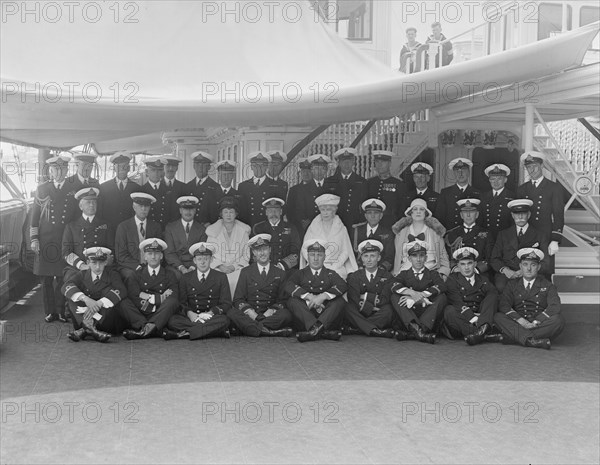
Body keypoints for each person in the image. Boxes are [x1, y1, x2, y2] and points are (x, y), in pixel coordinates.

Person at [30, 154, 78, 323]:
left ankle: (61, 311)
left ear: (67, 170)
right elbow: (34, 217)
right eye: (55, 169)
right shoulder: (42, 189)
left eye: (62, 169)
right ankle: (50, 312)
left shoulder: (74, 188)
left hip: (65, 239)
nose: (59, 172)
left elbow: (78, 217)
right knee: (46, 279)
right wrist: (34, 238)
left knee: (62, 277)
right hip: (46, 239)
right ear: (50, 171)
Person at [494, 248, 565, 350]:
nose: (528, 269)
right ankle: (531, 341)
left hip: (538, 323)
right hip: (519, 321)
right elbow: (504, 305)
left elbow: (555, 306)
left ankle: (512, 337)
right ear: (520, 266)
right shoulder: (512, 284)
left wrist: (536, 321)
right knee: (498, 317)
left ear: (539, 267)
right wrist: (520, 320)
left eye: (533, 265)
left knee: (558, 320)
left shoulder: (548, 285)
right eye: (525, 264)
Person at [163, 242, 231, 340]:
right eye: (199, 259)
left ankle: (185, 334)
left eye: (206, 259)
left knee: (225, 320)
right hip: (193, 316)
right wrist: (190, 314)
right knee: (172, 321)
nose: (202, 262)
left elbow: (226, 303)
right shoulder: (185, 278)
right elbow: (181, 302)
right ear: (194, 260)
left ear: (211, 259)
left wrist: (211, 313)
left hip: (210, 317)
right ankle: (214, 331)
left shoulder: (221, 277)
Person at [229, 234, 294, 337]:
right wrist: (251, 313)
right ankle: (268, 331)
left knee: (286, 315)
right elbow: (238, 299)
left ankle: (250, 328)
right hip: (251, 314)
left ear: (270, 250)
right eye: (259, 250)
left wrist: (271, 311)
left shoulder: (280, 273)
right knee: (232, 313)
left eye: (264, 249)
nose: (262, 253)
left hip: (270, 314)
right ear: (254, 252)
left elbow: (283, 300)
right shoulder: (246, 272)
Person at [285, 239, 347, 342]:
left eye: (319, 255)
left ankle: (314, 331)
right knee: (292, 301)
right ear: (307, 257)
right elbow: (289, 286)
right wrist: (310, 297)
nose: (316, 258)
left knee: (340, 301)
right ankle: (322, 331)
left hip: (325, 313)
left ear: (325, 257)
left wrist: (323, 296)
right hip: (307, 313)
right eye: (312, 255)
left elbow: (342, 285)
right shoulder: (300, 273)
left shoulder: (330, 273)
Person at [62, 247, 126, 342]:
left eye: (101, 263)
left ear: (105, 262)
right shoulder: (82, 274)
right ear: (88, 263)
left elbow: (122, 290)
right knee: (72, 297)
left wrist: (99, 303)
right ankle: (91, 329)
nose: (97, 267)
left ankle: (86, 329)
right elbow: (66, 287)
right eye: (94, 263)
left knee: (112, 298)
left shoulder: (112, 274)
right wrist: (86, 300)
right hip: (83, 317)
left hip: (104, 320)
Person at [119, 238, 179, 340]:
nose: (153, 256)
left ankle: (145, 330)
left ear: (161, 256)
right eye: (150, 253)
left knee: (172, 302)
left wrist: (146, 296)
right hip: (142, 313)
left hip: (161, 312)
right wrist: (159, 298)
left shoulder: (169, 274)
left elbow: (173, 295)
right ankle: (153, 328)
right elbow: (134, 296)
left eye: (156, 253)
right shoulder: (136, 275)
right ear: (145, 256)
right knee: (123, 303)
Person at [390, 240, 447, 344]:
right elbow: (393, 285)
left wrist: (420, 297)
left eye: (421, 256)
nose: (418, 259)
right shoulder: (404, 274)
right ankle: (417, 330)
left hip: (427, 312)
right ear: (409, 259)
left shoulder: (433, 274)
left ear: (426, 258)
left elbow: (441, 286)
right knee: (394, 297)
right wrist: (412, 293)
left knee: (442, 297)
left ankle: (414, 332)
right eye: (415, 256)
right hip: (410, 313)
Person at [490, 199, 550, 292]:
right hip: (508, 273)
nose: (520, 216)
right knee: (500, 286)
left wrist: (526, 271)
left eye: (523, 213)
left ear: (529, 215)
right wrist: (505, 270)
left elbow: (546, 262)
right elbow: (494, 258)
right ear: (512, 215)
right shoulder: (503, 234)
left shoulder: (540, 235)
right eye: (517, 214)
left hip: (531, 273)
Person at [442, 247, 499, 345]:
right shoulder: (452, 279)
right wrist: (473, 318)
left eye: (469, 263)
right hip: (461, 318)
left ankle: (480, 332)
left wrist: (482, 317)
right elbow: (457, 302)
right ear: (458, 266)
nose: (466, 267)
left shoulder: (483, 279)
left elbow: (492, 296)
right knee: (449, 310)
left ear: (475, 264)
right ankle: (481, 333)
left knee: (492, 296)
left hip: (479, 315)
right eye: (463, 264)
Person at [517, 151, 564, 260]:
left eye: (535, 166)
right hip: (526, 235)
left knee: (545, 269)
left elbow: (558, 215)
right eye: (528, 167)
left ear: (542, 166)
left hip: (545, 235)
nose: (531, 170)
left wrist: (555, 239)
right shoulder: (522, 189)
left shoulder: (554, 188)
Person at [345, 240, 396, 338]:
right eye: (366, 256)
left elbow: (385, 299)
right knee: (347, 307)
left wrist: (364, 296)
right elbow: (354, 299)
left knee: (389, 309)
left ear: (379, 258)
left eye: (372, 256)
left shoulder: (387, 276)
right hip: (360, 312)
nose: (369, 260)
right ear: (362, 259)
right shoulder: (354, 276)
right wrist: (371, 307)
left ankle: (358, 328)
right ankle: (375, 330)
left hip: (379, 313)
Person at [301, 194, 358, 280]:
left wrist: (336, 265)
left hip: (336, 266)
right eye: (323, 209)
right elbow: (304, 249)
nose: (325, 212)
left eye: (328, 210)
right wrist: (313, 263)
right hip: (314, 266)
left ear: (334, 211)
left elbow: (346, 251)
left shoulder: (341, 228)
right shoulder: (313, 227)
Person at [62, 188, 114, 280]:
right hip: (78, 268)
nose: (92, 205)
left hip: (101, 267)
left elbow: (111, 249)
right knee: (70, 280)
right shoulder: (71, 226)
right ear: (80, 206)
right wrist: (81, 265)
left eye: (94, 202)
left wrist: (103, 262)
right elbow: (66, 252)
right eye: (88, 202)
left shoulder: (106, 225)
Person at [205, 196, 251, 297]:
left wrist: (233, 267)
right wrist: (220, 266)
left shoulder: (243, 231)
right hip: (218, 269)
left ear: (236, 214)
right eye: (225, 212)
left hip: (238, 269)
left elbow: (246, 256)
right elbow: (208, 254)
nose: (228, 215)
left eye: (231, 212)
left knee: (238, 287)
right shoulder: (213, 231)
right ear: (221, 214)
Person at [392, 198, 450, 278]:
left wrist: (443, 274)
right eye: (415, 209)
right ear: (411, 213)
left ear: (425, 213)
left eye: (421, 209)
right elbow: (397, 257)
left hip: (430, 273)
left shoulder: (435, 233)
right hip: (405, 274)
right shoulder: (401, 233)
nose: (418, 212)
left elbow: (443, 257)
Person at [114, 193, 162, 282]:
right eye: (140, 206)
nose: (143, 209)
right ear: (134, 207)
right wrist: (137, 266)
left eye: (146, 206)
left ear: (150, 208)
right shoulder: (123, 227)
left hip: (151, 265)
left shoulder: (156, 227)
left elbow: (159, 251)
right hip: (129, 266)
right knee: (131, 275)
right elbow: (120, 255)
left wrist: (150, 266)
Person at [324, 147, 368, 233]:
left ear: (353, 162)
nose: (346, 164)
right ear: (339, 163)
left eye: (349, 161)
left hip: (355, 224)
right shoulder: (329, 181)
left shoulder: (362, 182)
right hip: (335, 223)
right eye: (343, 161)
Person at [252, 198, 301, 275]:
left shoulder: (291, 228)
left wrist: (282, 265)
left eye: (276, 210)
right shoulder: (258, 228)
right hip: (264, 270)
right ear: (266, 212)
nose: (273, 214)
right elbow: (254, 252)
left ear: (281, 212)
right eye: (270, 211)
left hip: (286, 270)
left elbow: (296, 252)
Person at [444, 199, 493, 275]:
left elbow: (490, 257)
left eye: (472, 212)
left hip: (478, 272)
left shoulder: (486, 233)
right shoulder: (453, 233)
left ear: (477, 214)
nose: (468, 215)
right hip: (458, 271)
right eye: (465, 212)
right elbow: (448, 256)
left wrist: (477, 270)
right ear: (461, 215)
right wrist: (455, 268)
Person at [164, 196, 208, 277]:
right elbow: (169, 253)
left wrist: (191, 268)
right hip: (175, 266)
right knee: (176, 276)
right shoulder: (170, 228)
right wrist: (181, 268)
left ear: (195, 210)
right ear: (180, 210)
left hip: (196, 265)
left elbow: (201, 252)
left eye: (191, 209)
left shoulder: (201, 229)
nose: (188, 212)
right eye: (185, 209)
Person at [98, 151, 140, 235]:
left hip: (129, 231)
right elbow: (100, 211)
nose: (121, 169)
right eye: (118, 166)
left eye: (124, 166)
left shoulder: (136, 188)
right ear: (114, 168)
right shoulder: (104, 187)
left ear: (128, 168)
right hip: (109, 230)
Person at [434, 158, 480, 230]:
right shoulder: (445, 193)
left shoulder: (477, 193)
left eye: (463, 170)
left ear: (468, 172)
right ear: (454, 173)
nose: (460, 174)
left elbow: (480, 218)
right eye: (457, 171)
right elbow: (440, 217)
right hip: (450, 235)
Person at [351, 199, 395, 272]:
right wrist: (359, 268)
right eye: (369, 213)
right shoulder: (357, 231)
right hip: (358, 269)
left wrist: (380, 270)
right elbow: (353, 254)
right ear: (365, 215)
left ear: (381, 216)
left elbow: (389, 257)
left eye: (376, 213)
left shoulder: (388, 233)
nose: (372, 216)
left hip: (380, 270)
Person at [366, 150, 407, 228]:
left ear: (389, 163)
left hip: (391, 224)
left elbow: (402, 208)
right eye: (377, 162)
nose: (380, 165)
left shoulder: (399, 184)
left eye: (383, 162)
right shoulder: (369, 183)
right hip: (372, 224)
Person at [293, 154, 329, 234]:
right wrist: (308, 222)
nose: (319, 171)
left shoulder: (331, 187)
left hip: (327, 226)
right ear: (312, 170)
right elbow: (299, 209)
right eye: (316, 168)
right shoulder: (303, 189)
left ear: (326, 170)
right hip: (309, 227)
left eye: (322, 169)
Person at [237, 151, 273, 228]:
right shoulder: (243, 186)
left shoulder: (274, 186)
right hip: (247, 227)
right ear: (251, 167)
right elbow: (240, 210)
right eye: (256, 165)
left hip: (267, 227)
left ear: (267, 167)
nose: (259, 168)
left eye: (262, 166)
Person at [479, 163, 515, 237]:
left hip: (505, 237)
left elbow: (513, 222)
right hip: (487, 237)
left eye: (499, 179)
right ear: (489, 180)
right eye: (493, 179)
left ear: (505, 180)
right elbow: (480, 220)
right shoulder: (483, 197)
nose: (495, 182)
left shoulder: (512, 196)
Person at [186, 151, 220, 224]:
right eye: (197, 164)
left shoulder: (216, 187)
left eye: (204, 165)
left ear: (209, 167)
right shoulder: (187, 186)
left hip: (208, 228)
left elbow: (218, 212)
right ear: (194, 166)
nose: (200, 168)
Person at [140, 156, 169, 229]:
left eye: (159, 170)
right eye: (153, 170)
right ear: (147, 172)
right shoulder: (141, 191)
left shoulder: (168, 190)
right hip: (147, 229)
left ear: (163, 172)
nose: (156, 173)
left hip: (164, 229)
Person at [286, 157, 313, 234]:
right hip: (297, 228)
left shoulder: (317, 189)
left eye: (309, 171)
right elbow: (289, 212)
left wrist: (309, 221)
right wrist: (299, 222)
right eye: (303, 171)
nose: (306, 174)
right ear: (300, 173)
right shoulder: (293, 190)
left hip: (314, 226)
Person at [161, 155, 188, 224]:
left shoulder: (183, 187)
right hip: (159, 226)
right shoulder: (157, 186)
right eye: (167, 166)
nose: (170, 169)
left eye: (173, 166)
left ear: (177, 168)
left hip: (177, 226)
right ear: (163, 167)